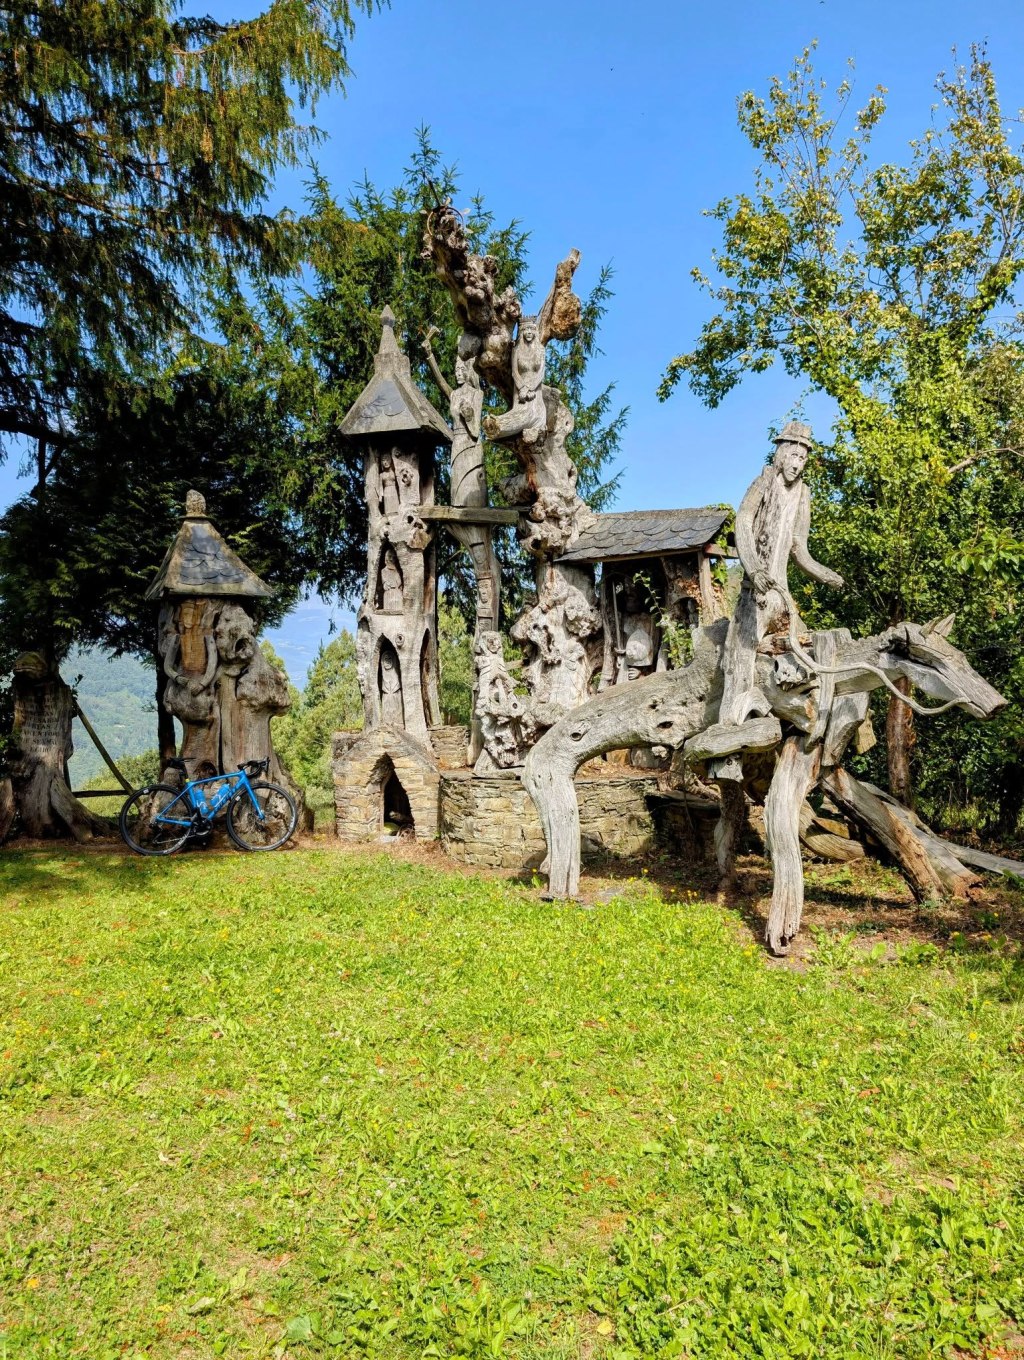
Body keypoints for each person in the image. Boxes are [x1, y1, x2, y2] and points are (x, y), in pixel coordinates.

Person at [713, 421, 843, 775]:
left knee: (802, 650)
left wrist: (823, 573)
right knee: (741, 655)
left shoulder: (804, 495)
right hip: (755, 588)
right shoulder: (763, 482)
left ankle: (799, 727)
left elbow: (800, 548)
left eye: (803, 457)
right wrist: (753, 570)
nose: (797, 463)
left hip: (781, 590)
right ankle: (727, 750)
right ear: (782, 452)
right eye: (793, 454)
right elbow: (742, 523)